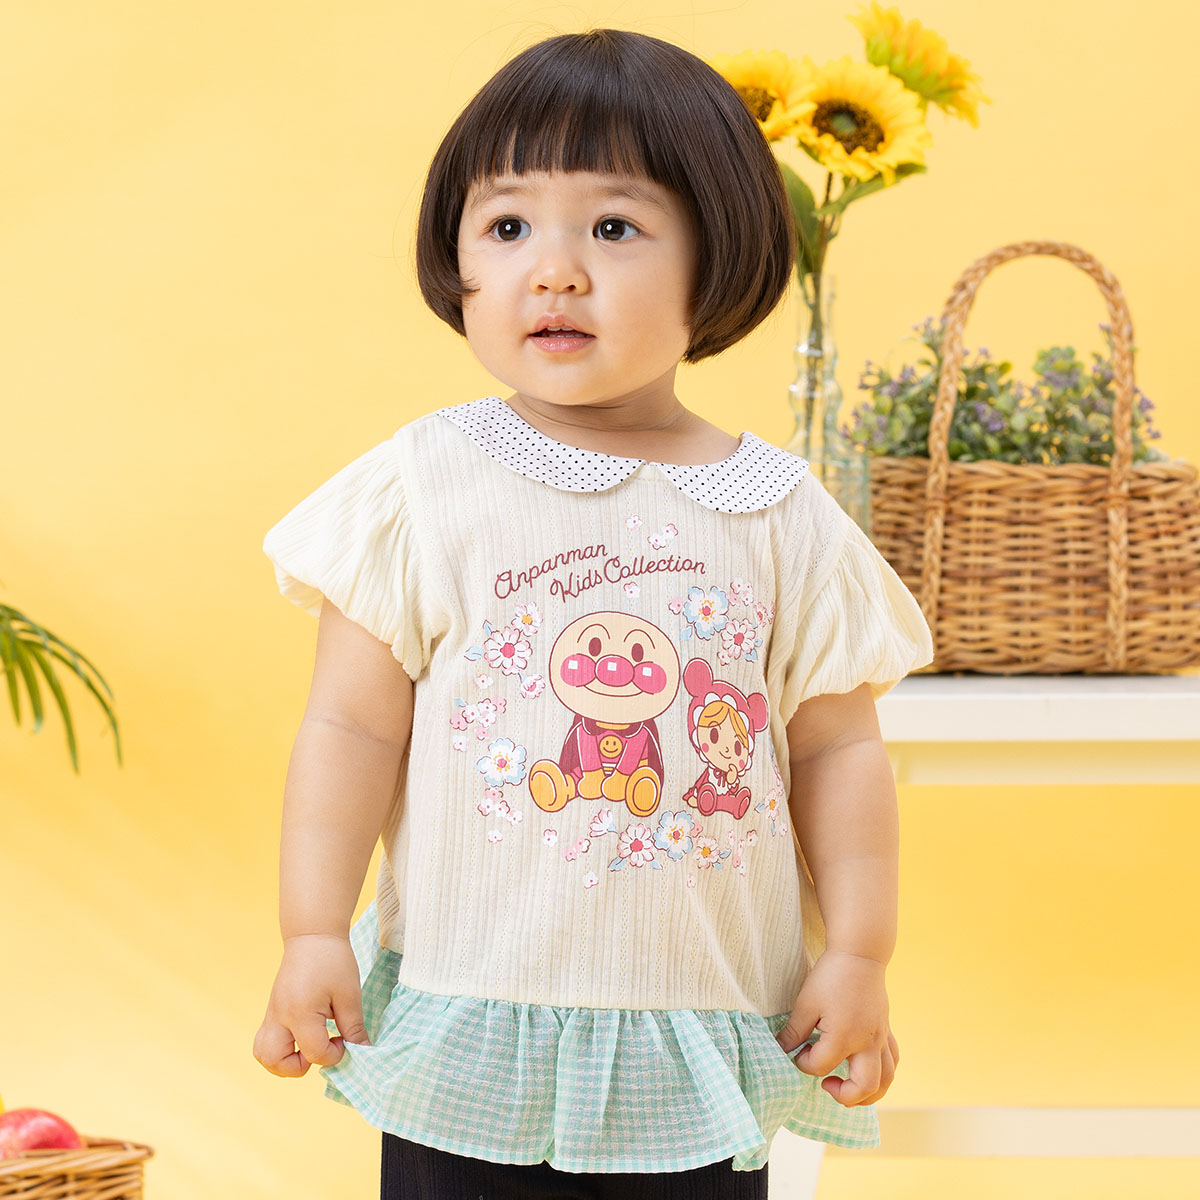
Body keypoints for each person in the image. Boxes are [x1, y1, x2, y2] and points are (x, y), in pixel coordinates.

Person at [252, 27, 934, 1200]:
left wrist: (861, 952)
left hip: (700, 1038)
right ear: (457, 259)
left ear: (716, 257)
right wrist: (313, 931)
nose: (553, 272)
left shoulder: (779, 512)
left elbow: (837, 752)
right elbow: (351, 729)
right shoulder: (426, 485)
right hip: (474, 1029)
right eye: (507, 226)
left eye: (613, 228)